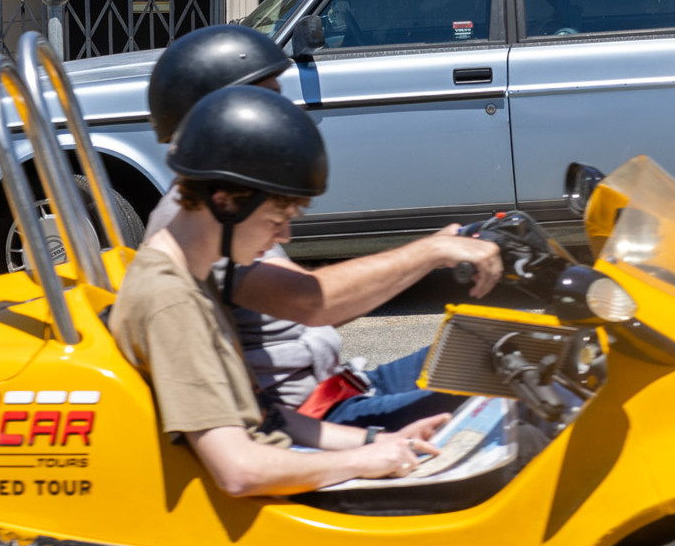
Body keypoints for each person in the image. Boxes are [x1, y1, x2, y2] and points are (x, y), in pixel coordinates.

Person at [142, 25, 497, 428]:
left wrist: (440, 249)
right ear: (219, 116)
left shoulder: (230, 203)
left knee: (494, 345)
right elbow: (313, 302)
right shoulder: (198, 222)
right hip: (314, 418)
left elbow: (312, 305)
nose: (286, 112)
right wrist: (432, 251)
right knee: (505, 378)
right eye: (268, 100)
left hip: (343, 385)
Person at [109, 84, 444, 496]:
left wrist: (381, 441)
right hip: (275, 498)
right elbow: (239, 470)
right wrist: (364, 462)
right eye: (275, 217)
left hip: (289, 463)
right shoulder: (172, 302)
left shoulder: (196, 278)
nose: (284, 233)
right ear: (226, 201)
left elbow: (269, 416)